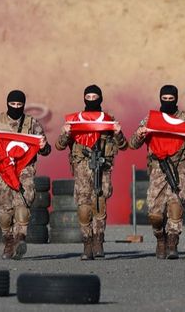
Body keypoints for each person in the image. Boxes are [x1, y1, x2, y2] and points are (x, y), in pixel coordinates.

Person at [129, 85, 185, 259]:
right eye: (164, 99)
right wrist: (140, 134)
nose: (167, 102)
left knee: (175, 205)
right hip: (158, 169)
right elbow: (133, 143)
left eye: (170, 99)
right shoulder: (151, 119)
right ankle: (161, 238)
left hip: (179, 168)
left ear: (176, 99)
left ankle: (172, 242)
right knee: (155, 213)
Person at [55, 85, 128, 260]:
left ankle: (98, 242)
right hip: (82, 170)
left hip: (102, 169)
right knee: (84, 208)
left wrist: (118, 132)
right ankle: (87, 244)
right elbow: (59, 146)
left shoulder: (108, 120)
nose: (92, 100)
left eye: (95, 97)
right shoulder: (76, 121)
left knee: (99, 205)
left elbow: (124, 145)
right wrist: (66, 133)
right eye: (88, 97)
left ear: (100, 98)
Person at [0, 90, 50, 260]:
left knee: (23, 206)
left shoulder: (32, 123)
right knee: (4, 212)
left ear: (23, 105)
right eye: (13, 104)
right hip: (3, 170)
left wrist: (43, 145)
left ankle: (20, 239)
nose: (16, 107)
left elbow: (46, 150)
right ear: (7, 104)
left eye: (19, 104)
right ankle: (8, 242)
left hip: (25, 170)